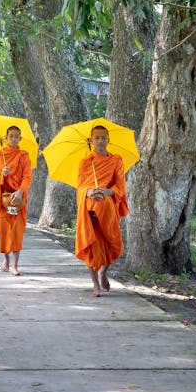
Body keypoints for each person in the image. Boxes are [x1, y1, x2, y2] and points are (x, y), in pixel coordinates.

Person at [74, 124, 129, 297]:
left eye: (103, 137)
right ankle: (95, 284)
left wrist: (106, 191)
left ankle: (103, 272)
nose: (100, 141)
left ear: (108, 140)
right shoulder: (85, 162)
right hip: (90, 211)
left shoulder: (116, 160)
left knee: (113, 243)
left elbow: (120, 185)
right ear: (91, 140)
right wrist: (90, 192)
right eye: (96, 137)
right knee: (92, 246)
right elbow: (81, 187)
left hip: (108, 209)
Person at [0, 125, 32, 275]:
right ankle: (6, 260)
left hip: (18, 199)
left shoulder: (24, 156)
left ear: (20, 138)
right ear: (6, 138)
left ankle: (15, 265)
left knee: (16, 233)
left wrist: (21, 191)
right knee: (4, 233)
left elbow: (27, 176)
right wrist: (2, 174)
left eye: (16, 136)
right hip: (4, 200)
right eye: (11, 136)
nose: (14, 139)